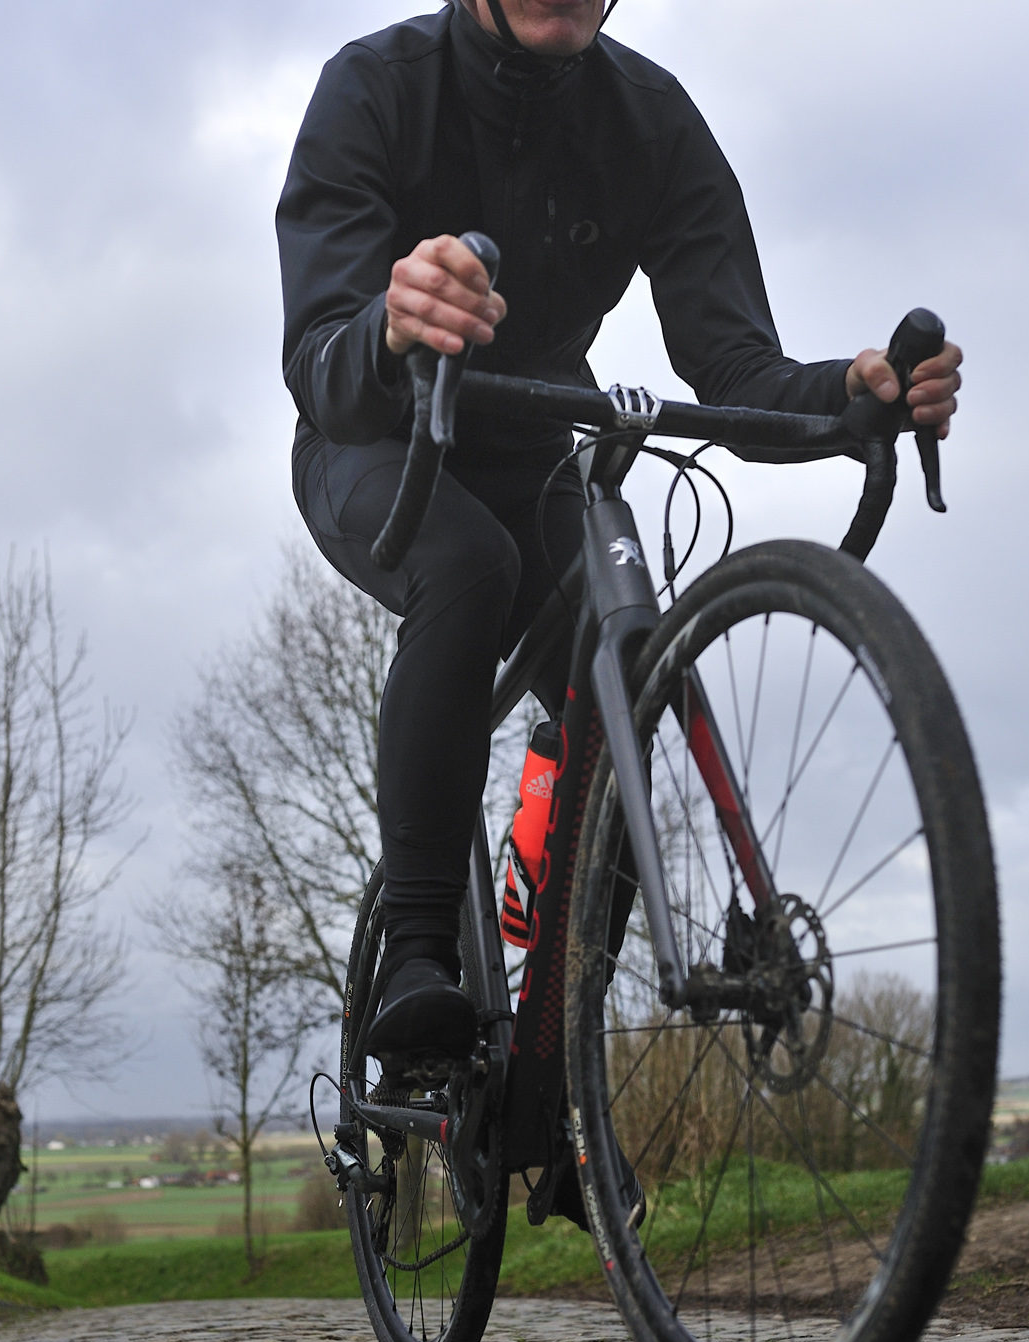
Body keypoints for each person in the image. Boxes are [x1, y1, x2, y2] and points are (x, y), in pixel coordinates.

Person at [275, 0, 961, 1063]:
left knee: (632, 662)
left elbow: (734, 368)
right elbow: (318, 359)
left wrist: (849, 397)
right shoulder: (374, 86)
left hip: (538, 444)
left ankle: (562, 1038)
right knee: (470, 566)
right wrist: (391, 324)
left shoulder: (651, 119)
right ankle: (415, 957)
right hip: (372, 439)